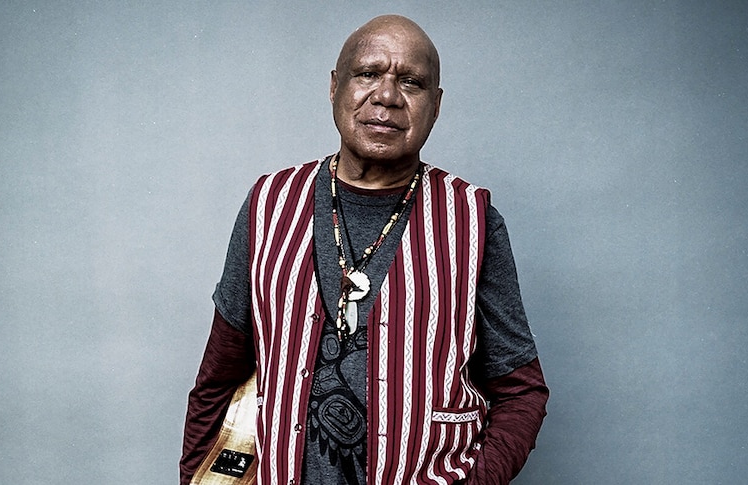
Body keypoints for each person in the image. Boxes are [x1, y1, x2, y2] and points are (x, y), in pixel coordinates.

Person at [181, 14, 549, 485]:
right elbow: (216, 380)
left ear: (435, 107)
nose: (387, 97)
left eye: (411, 82)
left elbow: (522, 391)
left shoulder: (473, 220)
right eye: (368, 73)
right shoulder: (268, 205)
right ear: (335, 87)